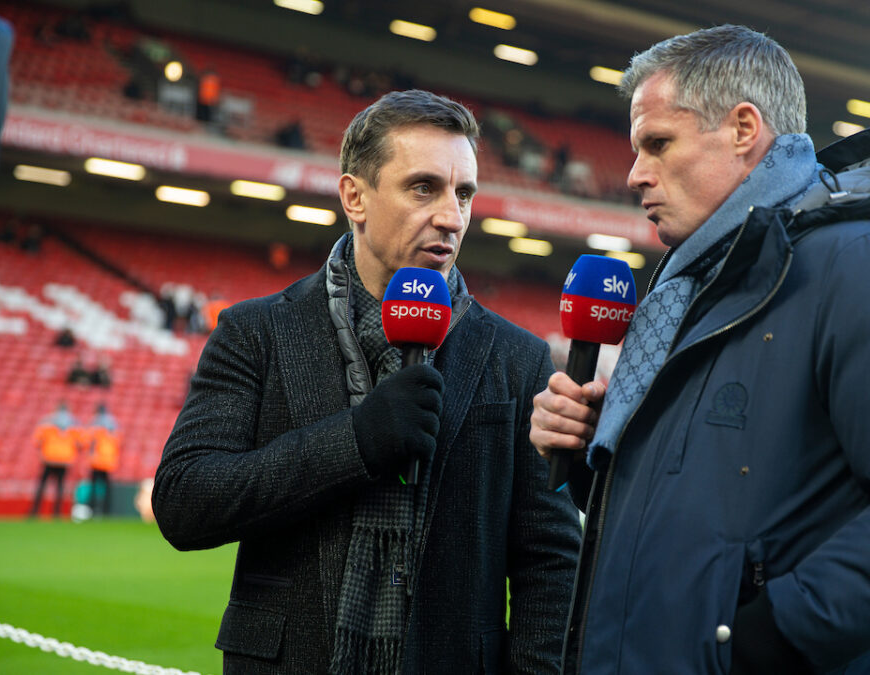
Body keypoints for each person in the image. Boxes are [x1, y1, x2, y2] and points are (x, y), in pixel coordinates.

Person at [530, 25, 870, 675]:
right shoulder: (696, 282)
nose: (634, 175)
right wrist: (601, 458)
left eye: (657, 143)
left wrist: (773, 635)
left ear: (743, 128)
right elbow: (718, 510)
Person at [153, 89, 580, 674]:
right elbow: (183, 501)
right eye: (423, 187)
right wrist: (355, 441)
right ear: (355, 196)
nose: (451, 217)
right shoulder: (257, 331)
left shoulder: (518, 358)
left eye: (464, 194)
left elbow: (550, 561)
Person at [29, 401, 80, 518]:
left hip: (49, 459)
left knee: (42, 486)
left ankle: (35, 511)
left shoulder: (47, 421)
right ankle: (57, 512)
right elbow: (79, 444)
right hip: (64, 460)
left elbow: (37, 441)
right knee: (60, 487)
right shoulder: (74, 423)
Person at [86, 403, 120, 517]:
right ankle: (106, 511)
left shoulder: (95, 422)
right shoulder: (113, 423)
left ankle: (91, 510)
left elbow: (90, 442)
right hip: (108, 461)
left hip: (97, 461)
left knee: (94, 487)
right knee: (107, 488)